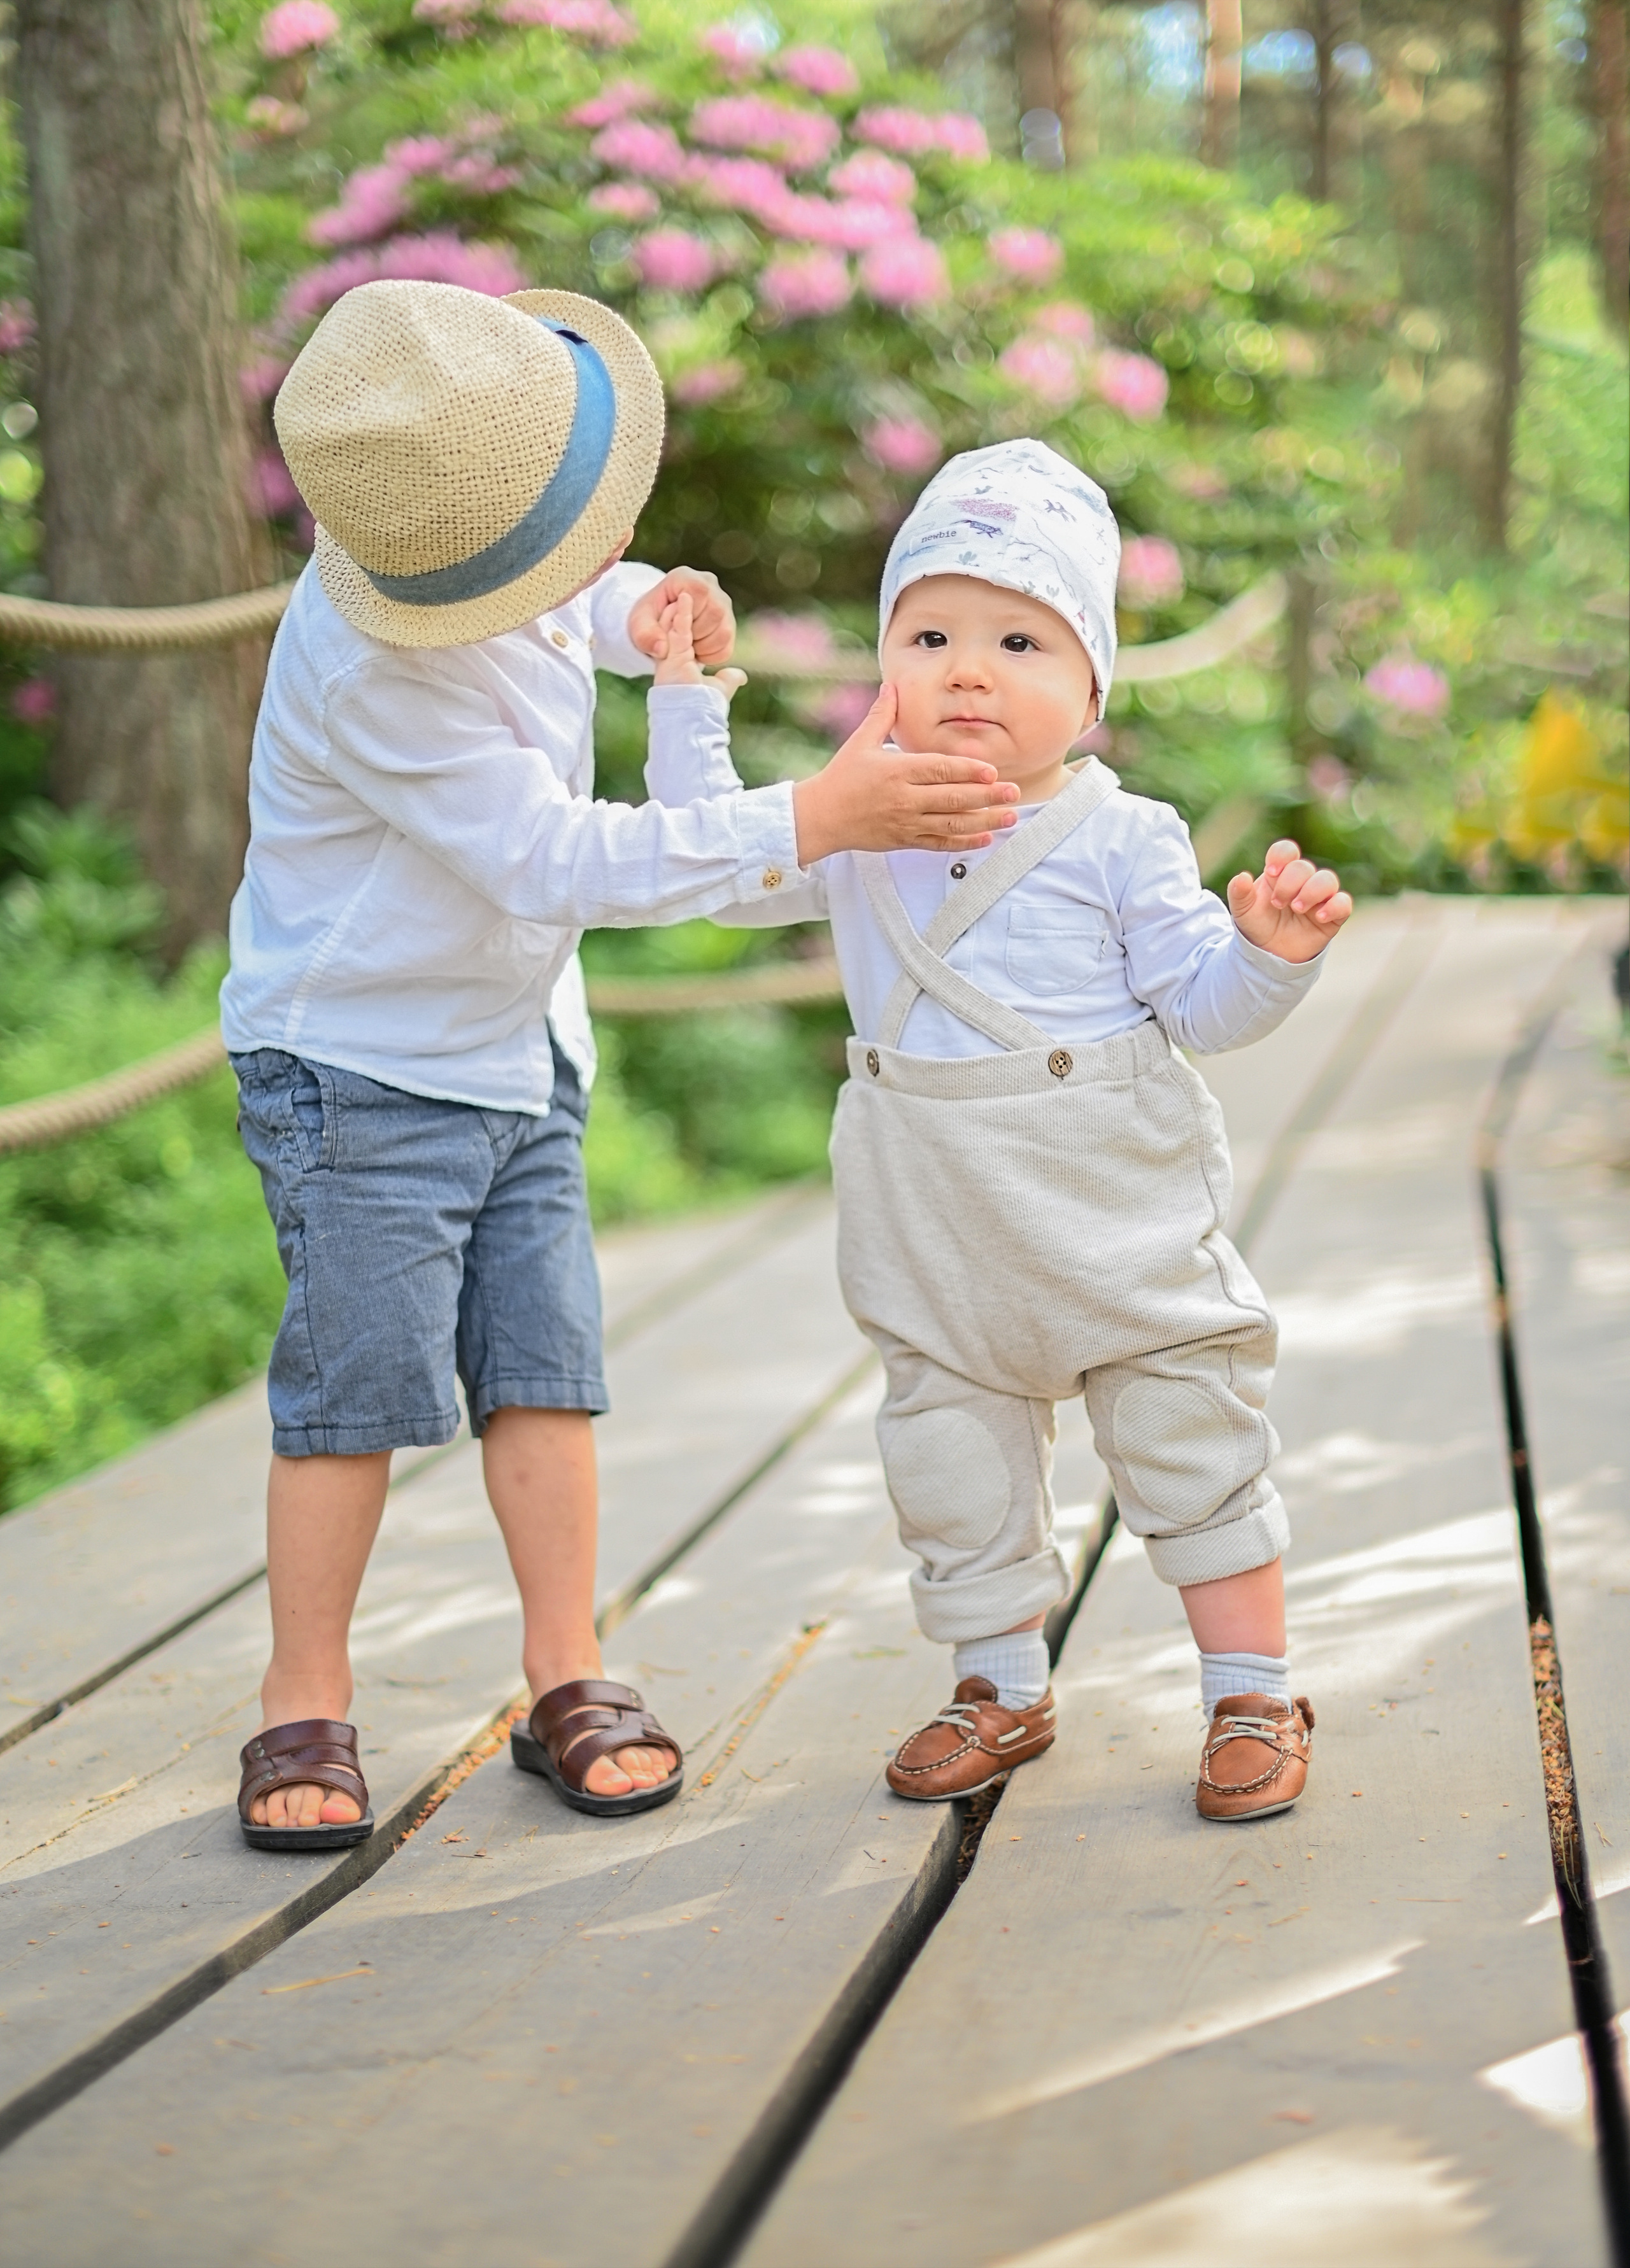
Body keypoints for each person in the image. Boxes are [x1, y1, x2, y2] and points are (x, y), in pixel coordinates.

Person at [220, 281, 1021, 1850]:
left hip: (520, 1050)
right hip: (362, 1068)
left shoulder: (467, 553)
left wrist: (649, 609)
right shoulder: (380, 665)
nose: (591, 552)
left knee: (546, 1370)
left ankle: (564, 1668)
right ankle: (299, 1693)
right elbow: (551, 860)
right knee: (354, 1392)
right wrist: (814, 816)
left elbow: (561, 590)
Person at [653, 438, 1352, 1822]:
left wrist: (1265, 954)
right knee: (948, 1457)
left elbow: (1202, 1015)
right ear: (883, 670)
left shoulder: (1121, 837)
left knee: (1186, 1436)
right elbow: (716, 875)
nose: (967, 667)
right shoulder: (859, 823)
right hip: (934, 1236)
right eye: (928, 633)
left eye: (1019, 639)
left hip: (1112, 1228)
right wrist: (686, 698)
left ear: (1089, 690)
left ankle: (1249, 1686)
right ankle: (998, 1684)